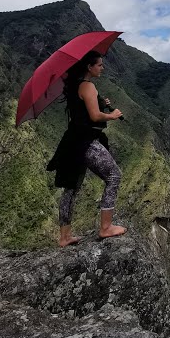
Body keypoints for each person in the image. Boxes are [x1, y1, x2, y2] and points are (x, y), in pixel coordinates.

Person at [45, 50, 127, 246]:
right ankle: (106, 228)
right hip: (85, 141)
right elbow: (95, 117)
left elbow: (84, 109)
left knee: (71, 188)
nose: (102, 67)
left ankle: (64, 237)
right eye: (99, 64)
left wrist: (101, 103)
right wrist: (112, 115)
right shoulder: (88, 86)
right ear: (89, 67)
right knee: (114, 176)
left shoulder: (75, 86)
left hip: (71, 142)